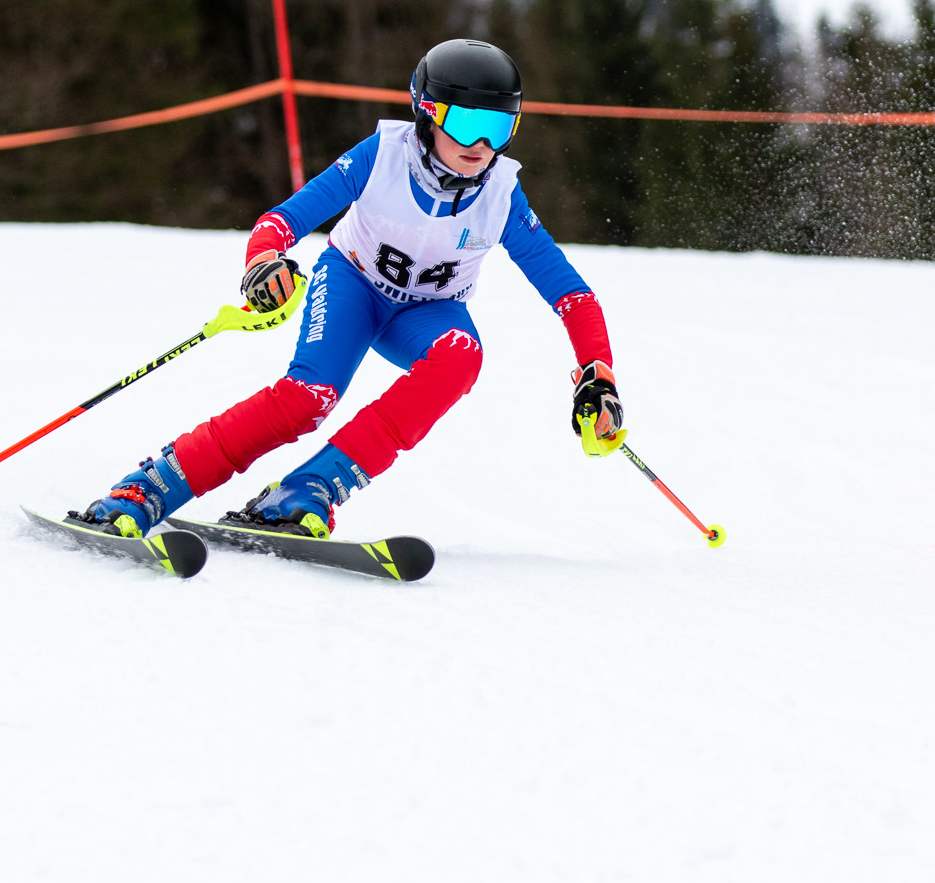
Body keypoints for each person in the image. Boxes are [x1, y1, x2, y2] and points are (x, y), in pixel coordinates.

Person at [69, 38, 627, 540]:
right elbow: (283, 219)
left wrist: (597, 373)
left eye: (499, 127)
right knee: (308, 398)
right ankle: (150, 487)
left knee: (462, 357)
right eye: (465, 123)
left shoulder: (502, 195)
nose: (481, 144)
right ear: (428, 114)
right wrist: (264, 260)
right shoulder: (382, 157)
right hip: (352, 285)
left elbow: (570, 293)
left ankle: (309, 489)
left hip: (427, 313)